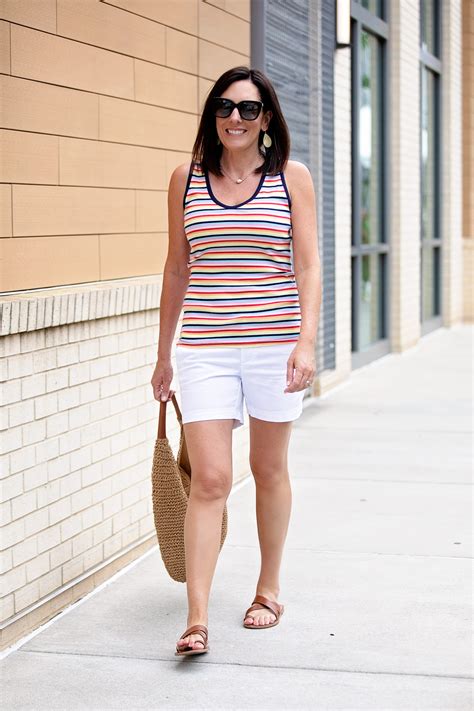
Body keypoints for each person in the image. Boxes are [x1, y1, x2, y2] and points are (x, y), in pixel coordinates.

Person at [151, 66, 321, 657]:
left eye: (248, 110)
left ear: (266, 118)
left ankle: (268, 589)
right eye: (225, 107)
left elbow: (308, 265)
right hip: (204, 349)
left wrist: (305, 342)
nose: (235, 118)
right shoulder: (185, 179)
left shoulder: (290, 179)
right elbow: (177, 267)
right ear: (212, 114)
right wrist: (163, 356)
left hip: (274, 344)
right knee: (212, 479)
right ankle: (197, 617)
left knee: (269, 469)